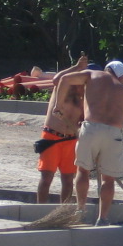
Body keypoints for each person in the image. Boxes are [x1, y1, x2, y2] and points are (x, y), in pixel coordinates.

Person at [55, 60, 123, 225]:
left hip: (91, 128)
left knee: (83, 171)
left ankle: (80, 210)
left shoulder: (93, 74)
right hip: (114, 133)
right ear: (121, 76)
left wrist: (58, 106)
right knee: (108, 179)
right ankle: (102, 218)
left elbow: (64, 79)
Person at [34, 54, 88, 204]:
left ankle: (63, 211)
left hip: (70, 140)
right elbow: (56, 79)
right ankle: (40, 209)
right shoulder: (63, 86)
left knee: (68, 179)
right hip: (52, 136)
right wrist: (77, 67)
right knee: (46, 177)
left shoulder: (84, 96)